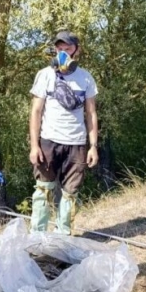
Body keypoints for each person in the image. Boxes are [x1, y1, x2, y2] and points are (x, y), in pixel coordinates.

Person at [28, 30, 99, 234]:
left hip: (76, 143)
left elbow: (91, 113)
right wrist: (34, 146)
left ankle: (63, 239)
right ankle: (36, 238)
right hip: (48, 141)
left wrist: (93, 146)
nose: (63, 53)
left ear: (76, 50)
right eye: (59, 49)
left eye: (67, 49)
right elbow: (36, 111)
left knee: (70, 193)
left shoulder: (86, 78)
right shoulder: (45, 75)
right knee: (43, 190)